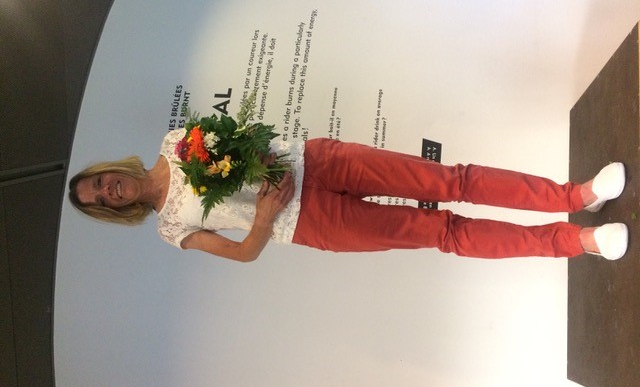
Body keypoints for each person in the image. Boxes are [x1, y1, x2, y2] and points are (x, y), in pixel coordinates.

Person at [69, 130, 629, 262]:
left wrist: (264, 161)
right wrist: (264, 216)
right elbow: (242, 253)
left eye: (99, 181)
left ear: (107, 170)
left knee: (450, 180)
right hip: (306, 222)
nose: (107, 190)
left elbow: (242, 139)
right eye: (101, 199)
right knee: (444, 232)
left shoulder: (174, 141)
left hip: (313, 160)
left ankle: (577, 194)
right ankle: (578, 241)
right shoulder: (170, 229)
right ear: (112, 210)